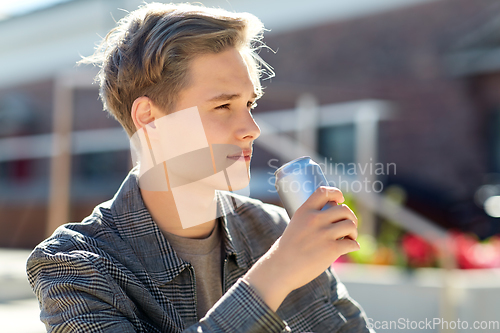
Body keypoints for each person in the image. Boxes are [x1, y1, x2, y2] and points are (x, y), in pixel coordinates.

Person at [27, 3, 374, 332]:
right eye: (223, 105)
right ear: (149, 120)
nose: (251, 128)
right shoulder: (74, 265)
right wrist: (277, 273)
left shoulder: (274, 231)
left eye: (249, 104)